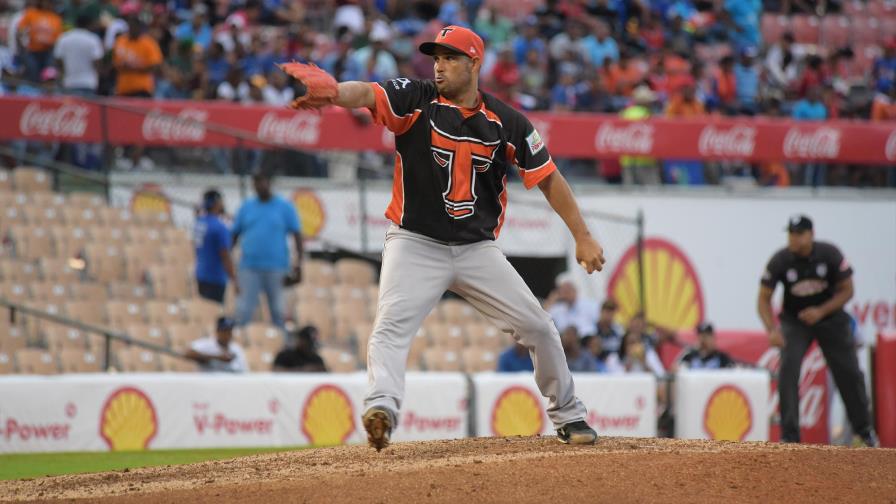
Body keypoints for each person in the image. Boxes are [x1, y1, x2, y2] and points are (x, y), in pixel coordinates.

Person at [325, 25, 605, 450]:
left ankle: (569, 416)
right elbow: (365, 93)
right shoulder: (416, 98)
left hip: (477, 250)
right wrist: (331, 91)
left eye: (450, 58)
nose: (439, 66)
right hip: (414, 241)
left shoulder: (507, 121)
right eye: (436, 57)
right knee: (389, 328)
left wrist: (582, 236)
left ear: (475, 63)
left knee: (540, 327)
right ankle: (380, 407)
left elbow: (548, 177)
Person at [757, 215, 878, 447]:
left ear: (811, 234)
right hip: (795, 321)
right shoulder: (781, 260)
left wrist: (821, 311)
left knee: (849, 372)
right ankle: (790, 436)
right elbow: (763, 299)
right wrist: (772, 329)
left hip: (830, 318)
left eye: (799, 234)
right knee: (788, 369)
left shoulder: (829, 254)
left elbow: (847, 290)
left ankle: (864, 431)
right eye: (791, 234)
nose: (793, 239)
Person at [232, 171, 303, 332]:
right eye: (255, 183)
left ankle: (281, 347)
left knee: (278, 311)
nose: (259, 186)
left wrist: (298, 264)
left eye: (261, 182)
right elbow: (234, 235)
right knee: (244, 310)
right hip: (249, 266)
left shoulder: (284, 207)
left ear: (269, 183)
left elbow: (297, 236)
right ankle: (242, 347)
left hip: (277, 267)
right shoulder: (246, 207)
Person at [194, 189, 238, 304]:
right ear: (217, 203)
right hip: (215, 277)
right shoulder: (220, 227)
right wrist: (234, 279)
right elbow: (225, 255)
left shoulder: (199, 223)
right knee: (214, 314)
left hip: (201, 274)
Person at [52, 13, 103, 96]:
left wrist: (63, 74)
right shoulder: (93, 39)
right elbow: (97, 62)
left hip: (69, 83)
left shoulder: (64, 38)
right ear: (89, 24)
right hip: (88, 83)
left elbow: (58, 60)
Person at [546, 274, 598, 338]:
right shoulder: (556, 309)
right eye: (563, 290)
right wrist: (551, 301)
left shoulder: (590, 305)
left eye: (568, 289)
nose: (566, 293)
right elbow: (543, 321)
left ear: (575, 289)